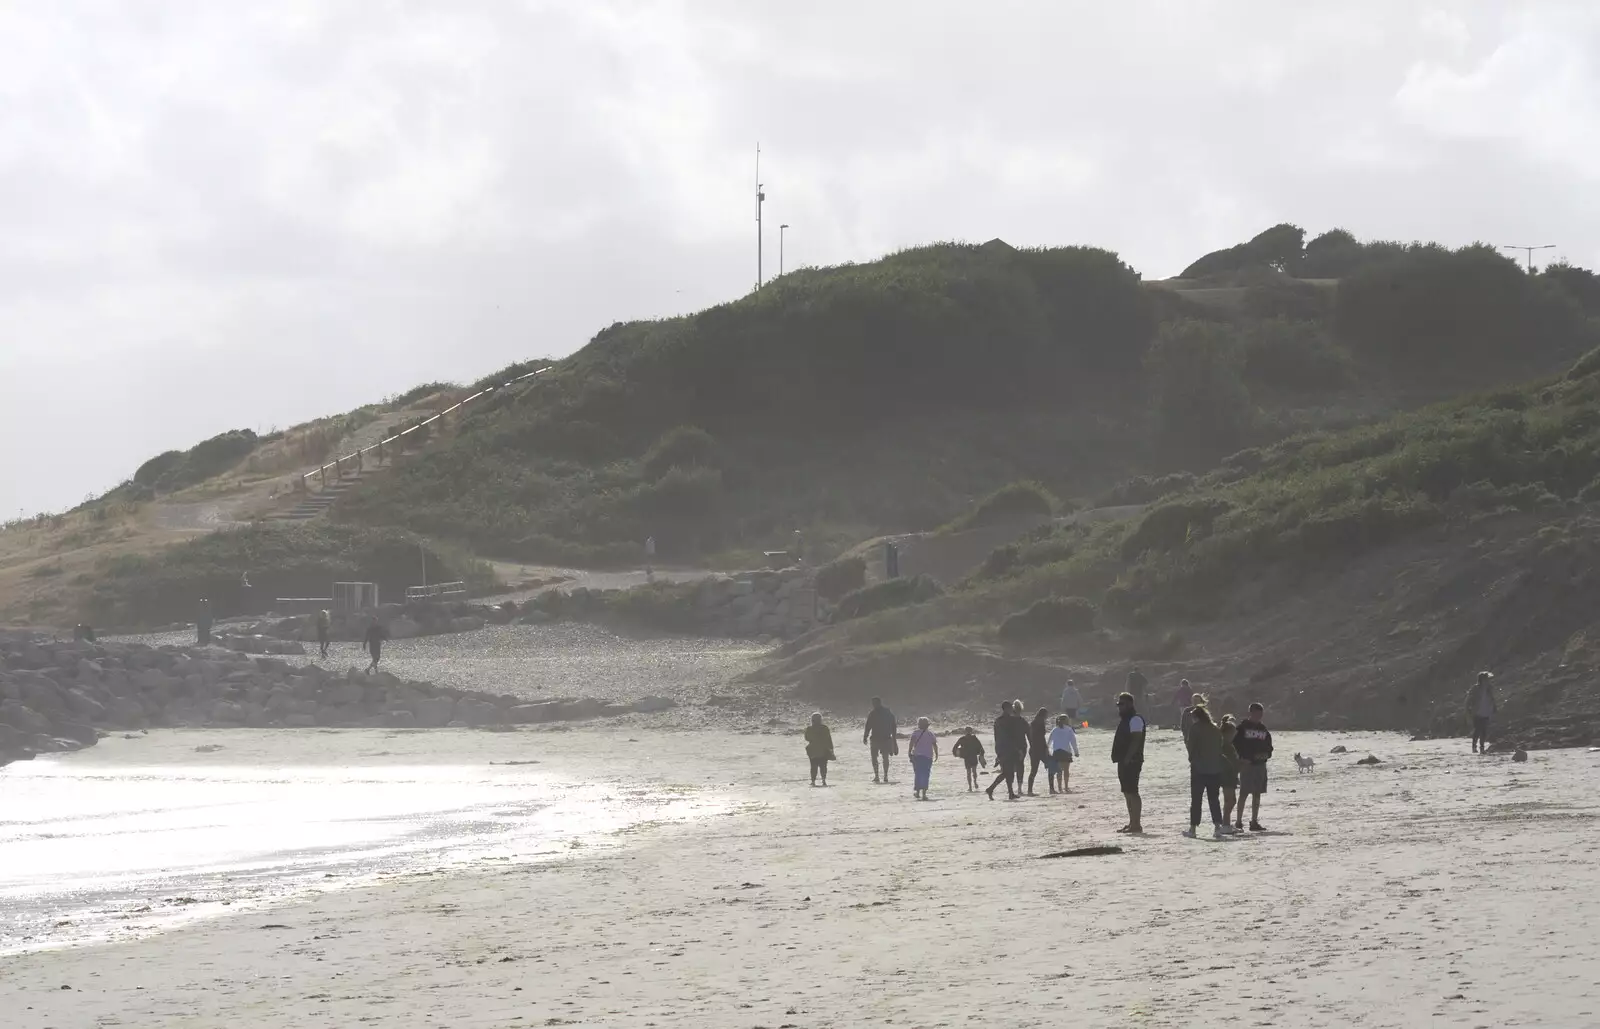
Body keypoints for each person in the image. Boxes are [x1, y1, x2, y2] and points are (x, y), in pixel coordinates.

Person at [1184, 700, 1230, 839]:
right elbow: (1219, 747)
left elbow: (1191, 747)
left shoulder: (1195, 728)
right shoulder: (1215, 729)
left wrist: (1192, 759)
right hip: (1215, 768)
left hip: (1199, 769)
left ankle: (1193, 829)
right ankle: (1217, 827)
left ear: (1196, 716)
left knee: (1196, 800)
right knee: (1214, 799)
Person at [1233, 702, 1273, 831]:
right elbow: (1234, 745)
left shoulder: (1263, 729)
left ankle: (1254, 821)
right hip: (1247, 765)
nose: (1259, 716)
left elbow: (1269, 747)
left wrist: (1266, 755)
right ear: (1250, 713)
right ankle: (1238, 821)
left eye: (1261, 714)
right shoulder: (1242, 728)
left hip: (1260, 765)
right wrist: (1241, 759)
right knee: (1243, 793)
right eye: (1256, 714)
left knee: (1257, 793)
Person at [1111, 692, 1146, 833]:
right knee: (1126, 792)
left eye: (1122, 704)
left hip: (1132, 761)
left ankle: (1137, 824)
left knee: (1133, 792)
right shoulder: (1125, 720)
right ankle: (1132, 822)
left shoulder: (1135, 719)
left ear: (1130, 704)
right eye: (1119, 705)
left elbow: (1136, 740)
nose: (1120, 707)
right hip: (1123, 761)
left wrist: (1128, 758)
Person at [986, 702, 1027, 800]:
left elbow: (996, 737)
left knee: (1007, 772)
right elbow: (1013, 737)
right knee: (1008, 772)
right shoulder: (1011, 720)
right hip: (1010, 749)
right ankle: (991, 789)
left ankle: (1010, 793)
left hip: (1001, 748)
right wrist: (1018, 749)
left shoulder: (998, 721)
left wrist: (998, 751)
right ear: (1008, 708)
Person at [863, 697, 898, 783]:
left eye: (874, 703)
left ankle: (879, 776)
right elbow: (893, 726)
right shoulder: (886, 712)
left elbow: (868, 726)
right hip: (882, 738)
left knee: (878, 758)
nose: (873, 705)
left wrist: (865, 737)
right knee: (883, 758)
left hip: (879, 739)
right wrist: (894, 739)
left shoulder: (874, 713)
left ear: (878, 703)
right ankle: (882, 775)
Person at [1218, 713, 1242, 829]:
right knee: (1231, 801)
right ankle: (1225, 823)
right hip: (1227, 775)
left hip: (1230, 775)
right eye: (1233, 734)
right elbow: (1228, 762)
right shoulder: (1224, 746)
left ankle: (1226, 823)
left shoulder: (1228, 745)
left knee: (1230, 800)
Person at [1466, 671, 1498, 754]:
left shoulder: (1489, 689)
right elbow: (1469, 700)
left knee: (1484, 731)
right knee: (1477, 730)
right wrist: (1469, 710)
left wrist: (1494, 707)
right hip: (1477, 712)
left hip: (1486, 711)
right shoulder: (1475, 688)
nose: (1488, 681)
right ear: (1482, 680)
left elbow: (1492, 699)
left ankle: (1482, 748)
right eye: (1486, 679)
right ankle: (1474, 747)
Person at [908, 717, 938, 800]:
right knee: (926, 774)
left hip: (917, 756)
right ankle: (924, 794)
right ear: (927, 725)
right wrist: (936, 754)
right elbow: (934, 745)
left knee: (918, 774)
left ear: (919, 725)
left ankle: (917, 792)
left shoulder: (915, 733)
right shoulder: (930, 734)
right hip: (928, 757)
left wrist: (909, 752)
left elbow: (911, 743)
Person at [1047, 715, 1079, 793]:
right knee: (1066, 771)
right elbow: (1073, 741)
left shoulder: (1054, 729)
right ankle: (1066, 787)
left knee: (1059, 771)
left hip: (1057, 752)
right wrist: (1076, 752)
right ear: (1065, 721)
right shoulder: (1069, 729)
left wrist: (1048, 750)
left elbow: (1049, 741)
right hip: (1066, 752)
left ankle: (1059, 788)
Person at [804, 712, 836, 786]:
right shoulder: (825, 728)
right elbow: (829, 739)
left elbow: (807, 738)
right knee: (823, 766)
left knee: (813, 766)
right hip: (823, 750)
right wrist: (831, 749)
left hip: (813, 750)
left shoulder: (809, 729)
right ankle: (823, 780)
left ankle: (813, 781)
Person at [952, 726, 987, 791]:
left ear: (965, 731)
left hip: (967, 758)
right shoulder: (974, 738)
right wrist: (981, 755)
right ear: (971, 731)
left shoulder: (962, 739)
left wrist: (956, 753)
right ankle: (975, 782)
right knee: (974, 771)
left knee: (968, 772)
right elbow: (980, 747)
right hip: (973, 756)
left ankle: (970, 787)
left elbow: (955, 747)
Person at [1026, 707, 1052, 796]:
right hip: (1040, 749)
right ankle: (1051, 788)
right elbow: (1041, 738)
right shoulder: (1040, 723)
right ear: (1044, 715)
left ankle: (1029, 791)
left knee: (1033, 770)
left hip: (1033, 749)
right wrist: (1046, 749)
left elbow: (1031, 737)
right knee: (1051, 766)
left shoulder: (1033, 723)